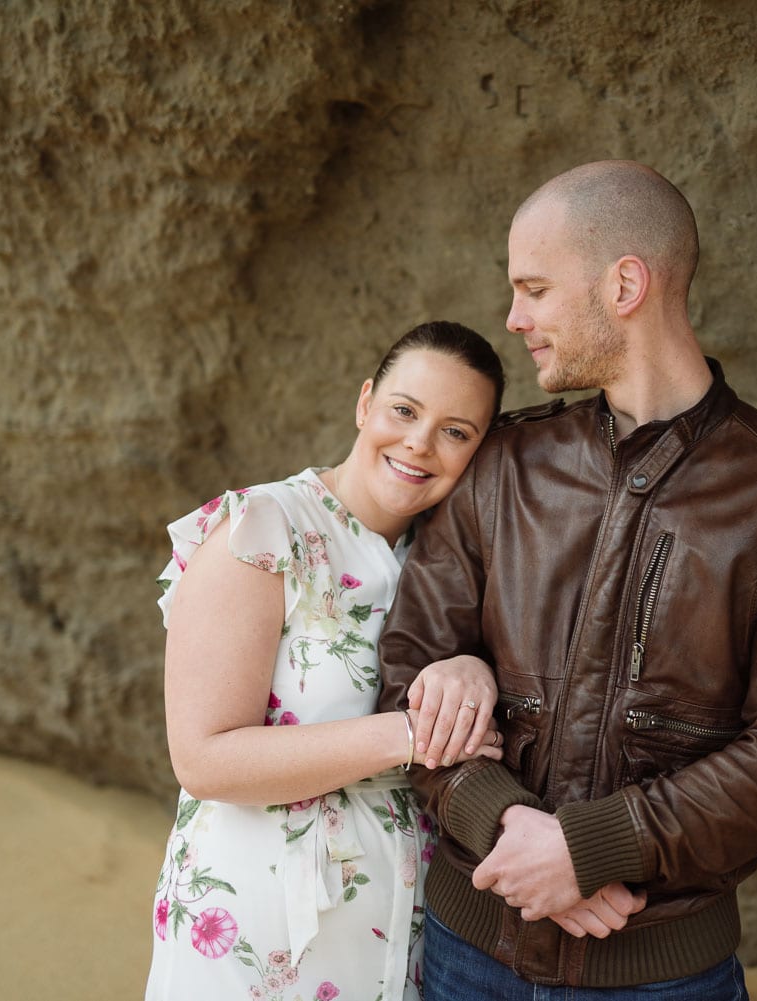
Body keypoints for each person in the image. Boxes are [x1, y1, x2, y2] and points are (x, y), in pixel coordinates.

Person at [377, 161, 757, 998]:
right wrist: (509, 826)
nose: (514, 317)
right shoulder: (505, 462)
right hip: (464, 961)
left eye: (534, 288)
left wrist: (592, 847)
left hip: (663, 979)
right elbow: (405, 671)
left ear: (625, 283)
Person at [145, 321, 510, 1001]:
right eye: (404, 410)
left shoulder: (452, 564)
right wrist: (409, 733)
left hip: (401, 925)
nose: (419, 443)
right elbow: (203, 758)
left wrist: (475, 669)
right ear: (365, 401)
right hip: (260, 926)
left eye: (457, 431)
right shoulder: (263, 529)